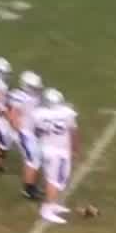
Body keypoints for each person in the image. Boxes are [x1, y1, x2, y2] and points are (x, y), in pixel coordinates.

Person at [34, 87, 80, 224]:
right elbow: (73, 131)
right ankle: (46, 209)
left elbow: (37, 132)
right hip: (55, 151)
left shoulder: (39, 113)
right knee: (54, 180)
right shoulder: (67, 113)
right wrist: (75, 148)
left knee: (61, 178)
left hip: (50, 149)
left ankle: (52, 204)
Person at [9, 70, 44, 200]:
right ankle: (28, 190)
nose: (37, 89)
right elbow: (13, 116)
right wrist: (21, 133)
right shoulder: (19, 97)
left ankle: (31, 186)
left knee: (34, 159)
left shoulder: (35, 96)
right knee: (33, 160)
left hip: (31, 133)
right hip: (24, 133)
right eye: (34, 87)